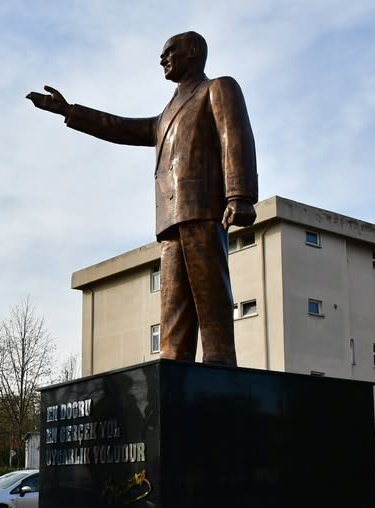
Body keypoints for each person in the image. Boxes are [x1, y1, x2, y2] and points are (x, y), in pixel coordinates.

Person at [27, 30, 258, 365]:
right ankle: (172, 364)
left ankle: (220, 364)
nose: (162, 58)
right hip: (170, 219)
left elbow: (235, 138)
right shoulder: (166, 113)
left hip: (204, 209)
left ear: (192, 51)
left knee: (211, 298)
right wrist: (69, 111)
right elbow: (120, 127)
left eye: (169, 51)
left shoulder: (218, 88)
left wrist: (240, 195)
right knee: (173, 306)